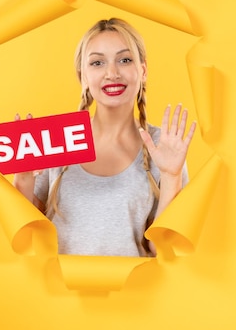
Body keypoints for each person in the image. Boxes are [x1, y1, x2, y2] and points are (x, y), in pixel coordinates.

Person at [13, 18, 196, 257]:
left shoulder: (164, 146)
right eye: (97, 62)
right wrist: (23, 179)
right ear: (84, 76)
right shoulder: (56, 140)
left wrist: (172, 177)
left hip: (134, 292)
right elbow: (27, 238)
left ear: (142, 71)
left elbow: (162, 249)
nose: (112, 73)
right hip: (57, 292)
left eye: (125, 59)